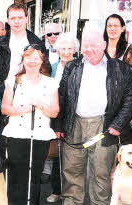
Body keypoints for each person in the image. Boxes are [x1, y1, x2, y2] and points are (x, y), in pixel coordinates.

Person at [56, 28, 132, 205]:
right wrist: (59, 126)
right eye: (85, 45)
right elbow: (61, 96)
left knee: (100, 172)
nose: (89, 49)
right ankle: (71, 202)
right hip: (74, 123)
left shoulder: (120, 68)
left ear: (104, 45)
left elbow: (130, 98)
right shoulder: (72, 66)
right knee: (71, 169)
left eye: (93, 45)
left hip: (104, 125)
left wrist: (118, 124)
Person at [1, 45, 59, 205]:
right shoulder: (13, 81)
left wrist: (41, 105)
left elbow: (54, 111)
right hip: (16, 136)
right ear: (23, 60)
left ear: (42, 61)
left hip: (40, 137)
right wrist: (20, 110)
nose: (32, 61)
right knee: (15, 176)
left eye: (36, 58)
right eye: (28, 57)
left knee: (34, 177)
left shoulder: (51, 83)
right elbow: (5, 108)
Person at [46, 32, 80, 203]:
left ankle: (71, 193)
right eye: (63, 48)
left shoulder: (80, 66)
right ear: (57, 50)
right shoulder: (51, 67)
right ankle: (56, 190)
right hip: (54, 116)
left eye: (70, 48)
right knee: (57, 155)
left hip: (73, 117)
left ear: (75, 50)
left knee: (72, 157)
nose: (66, 52)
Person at [0, 3, 46, 96]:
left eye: (20, 18)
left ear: (26, 19)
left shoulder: (37, 43)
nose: (17, 21)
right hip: (3, 92)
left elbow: (45, 69)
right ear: (8, 20)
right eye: (13, 18)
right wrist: (2, 89)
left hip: (30, 93)